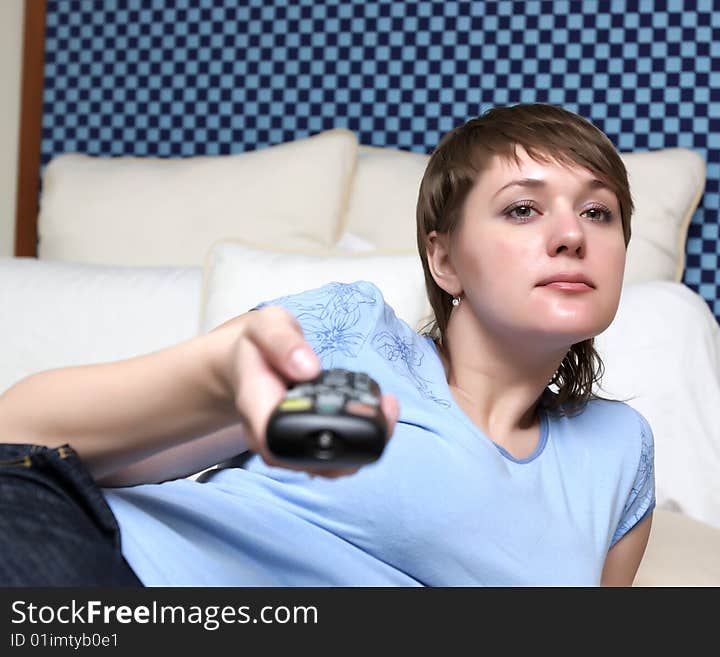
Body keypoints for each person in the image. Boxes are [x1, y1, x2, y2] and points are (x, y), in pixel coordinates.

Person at [0, 103, 654, 586]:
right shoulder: (349, 333)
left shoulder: (621, 450)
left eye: (598, 212)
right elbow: (17, 435)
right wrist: (217, 378)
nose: (571, 234)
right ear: (444, 259)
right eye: (523, 208)